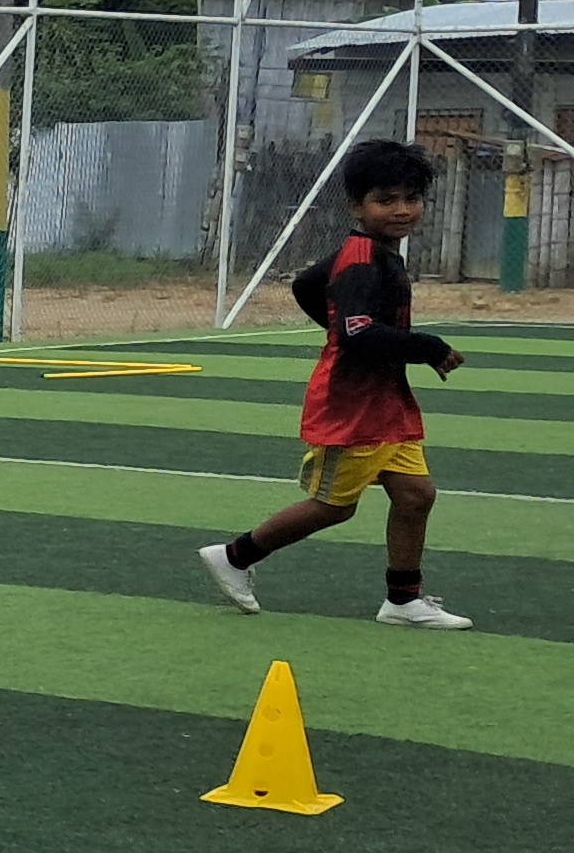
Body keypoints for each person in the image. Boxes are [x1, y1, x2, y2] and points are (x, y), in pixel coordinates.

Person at [197, 140, 472, 629]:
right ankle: (234, 557)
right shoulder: (362, 260)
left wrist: (339, 325)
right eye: (385, 200)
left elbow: (307, 284)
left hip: (385, 400)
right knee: (333, 507)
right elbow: (357, 331)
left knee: (416, 495)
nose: (402, 209)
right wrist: (427, 347)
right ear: (356, 206)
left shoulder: (373, 251)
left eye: (411, 198)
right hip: (352, 404)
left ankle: (403, 601)